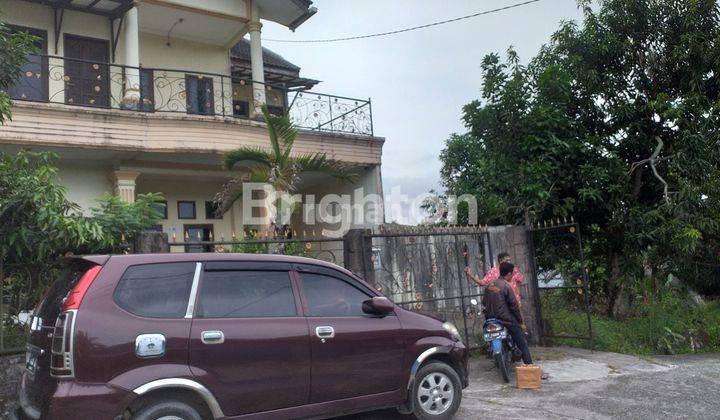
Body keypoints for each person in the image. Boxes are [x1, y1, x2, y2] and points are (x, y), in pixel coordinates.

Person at [482, 262, 533, 365]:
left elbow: (484, 302)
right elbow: (514, 306)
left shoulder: (489, 286)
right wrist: (520, 322)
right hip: (505, 319)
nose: (513, 275)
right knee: (521, 341)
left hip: (490, 319)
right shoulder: (506, 286)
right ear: (509, 274)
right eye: (513, 273)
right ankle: (530, 365)